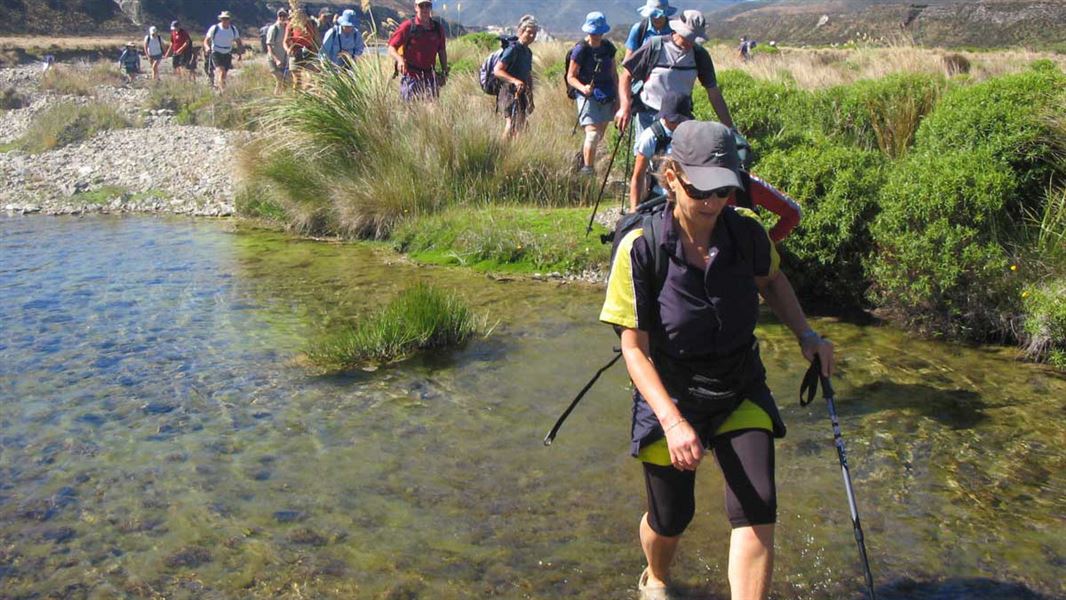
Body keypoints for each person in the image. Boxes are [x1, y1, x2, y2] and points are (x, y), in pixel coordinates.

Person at [599, 120, 834, 600]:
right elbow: (634, 349)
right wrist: (672, 421)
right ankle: (657, 576)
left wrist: (807, 334)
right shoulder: (640, 247)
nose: (712, 202)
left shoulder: (745, 232)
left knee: (758, 503)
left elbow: (772, 281)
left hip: (738, 384)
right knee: (671, 518)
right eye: (700, 189)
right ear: (671, 177)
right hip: (672, 395)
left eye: (724, 189)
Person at [615, 10, 734, 140]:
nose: (690, 42)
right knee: (646, 157)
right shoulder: (655, 46)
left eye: (694, 38)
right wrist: (625, 106)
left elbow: (714, 93)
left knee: (677, 159)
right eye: (687, 36)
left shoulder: (699, 55)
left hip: (680, 119)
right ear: (677, 30)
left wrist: (730, 128)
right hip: (649, 114)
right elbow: (626, 76)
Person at [566, 12, 618, 174]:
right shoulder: (580, 50)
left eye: (599, 32)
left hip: (606, 94)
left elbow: (614, 73)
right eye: (593, 32)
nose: (596, 35)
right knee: (592, 134)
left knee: (599, 135)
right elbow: (571, 77)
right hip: (587, 95)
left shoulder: (608, 48)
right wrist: (583, 88)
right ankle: (588, 171)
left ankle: (581, 162)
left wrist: (618, 97)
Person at [629, 92, 692, 212]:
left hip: (685, 196)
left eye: (681, 120)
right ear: (664, 116)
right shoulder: (650, 137)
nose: (678, 124)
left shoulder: (691, 133)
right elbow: (638, 177)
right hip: (660, 199)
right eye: (674, 121)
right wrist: (633, 210)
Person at [388, 0, 449, 102]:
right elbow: (391, 47)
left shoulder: (438, 29)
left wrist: (444, 72)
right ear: (416, 7)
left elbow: (442, 51)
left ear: (431, 7)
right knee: (410, 112)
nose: (425, 9)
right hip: (411, 78)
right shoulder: (407, 27)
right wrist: (399, 59)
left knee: (432, 113)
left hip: (430, 77)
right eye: (421, 6)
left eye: (428, 5)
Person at [494, 16, 538, 138]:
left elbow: (527, 75)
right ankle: (501, 152)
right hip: (508, 92)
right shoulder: (512, 49)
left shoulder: (528, 52)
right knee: (511, 123)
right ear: (520, 31)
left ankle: (516, 153)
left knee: (521, 125)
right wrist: (514, 81)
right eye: (529, 32)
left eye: (534, 33)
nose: (531, 36)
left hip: (521, 93)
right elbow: (497, 70)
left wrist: (530, 97)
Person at [204, 11, 243, 92]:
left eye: (227, 18)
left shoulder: (233, 29)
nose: (225, 20)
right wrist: (207, 47)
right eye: (223, 18)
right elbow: (206, 40)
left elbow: (238, 42)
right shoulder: (215, 28)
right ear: (221, 19)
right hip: (216, 52)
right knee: (221, 71)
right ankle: (222, 91)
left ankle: (218, 87)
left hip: (227, 53)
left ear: (229, 19)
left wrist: (239, 54)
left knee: (224, 73)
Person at [285, 7, 319, 90]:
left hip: (309, 51)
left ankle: (306, 94)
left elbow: (316, 38)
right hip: (296, 51)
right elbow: (285, 41)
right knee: (297, 80)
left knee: (312, 77)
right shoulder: (291, 25)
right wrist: (288, 49)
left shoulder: (311, 24)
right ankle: (296, 99)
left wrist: (316, 49)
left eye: (303, 15)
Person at [265, 9, 289, 94]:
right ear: (277, 17)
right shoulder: (273, 28)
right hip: (273, 60)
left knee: (284, 83)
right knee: (280, 80)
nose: (282, 18)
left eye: (284, 16)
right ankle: (277, 99)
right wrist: (276, 60)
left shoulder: (288, 28)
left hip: (284, 60)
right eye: (280, 16)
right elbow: (269, 46)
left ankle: (280, 99)